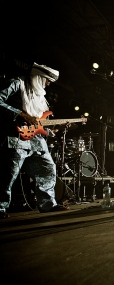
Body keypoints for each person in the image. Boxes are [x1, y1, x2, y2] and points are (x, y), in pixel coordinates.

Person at [0, 63, 69, 218]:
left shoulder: (40, 96)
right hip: (16, 137)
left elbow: (37, 122)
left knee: (47, 169)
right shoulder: (16, 83)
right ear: (38, 77)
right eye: (47, 79)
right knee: (8, 175)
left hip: (36, 140)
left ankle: (48, 204)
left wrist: (53, 130)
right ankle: (0, 208)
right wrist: (18, 114)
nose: (49, 83)